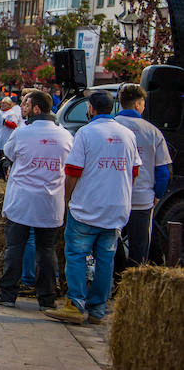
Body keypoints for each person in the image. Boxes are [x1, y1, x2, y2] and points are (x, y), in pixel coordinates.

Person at [44, 91, 141, 325]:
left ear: (90, 108)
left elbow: (73, 172)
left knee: (76, 254)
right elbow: (134, 172)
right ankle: (97, 309)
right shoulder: (127, 134)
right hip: (116, 208)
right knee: (105, 258)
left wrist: (67, 200)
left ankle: (75, 304)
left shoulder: (86, 133)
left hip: (88, 207)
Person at [0, 90, 73, 310]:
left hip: (23, 200)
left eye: (26, 104)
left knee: (15, 248)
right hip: (50, 202)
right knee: (46, 251)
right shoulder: (65, 135)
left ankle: (8, 293)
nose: (23, 108)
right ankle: (47, 299)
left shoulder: (22, 133)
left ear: (36, 108)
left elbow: (9, 154)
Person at [114, 83, 171, 265]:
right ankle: (132, 281)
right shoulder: (152, 131)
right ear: (138, 104)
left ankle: (115, 276)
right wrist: (158, 195)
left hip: (111, 197)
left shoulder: (109, 127)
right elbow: (163, 170)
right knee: (139, 246)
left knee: (109, 243)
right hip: (141, 198)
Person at [0, 97, 22, 180]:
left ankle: (5, 176)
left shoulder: (11, 113)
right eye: (2, 103)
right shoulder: (0, 112)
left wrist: (5, 122)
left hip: (7, 138)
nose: (2, 105)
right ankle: (1, 175)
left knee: (5, 160)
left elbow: (14, 125)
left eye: (5, 103)